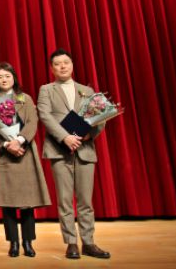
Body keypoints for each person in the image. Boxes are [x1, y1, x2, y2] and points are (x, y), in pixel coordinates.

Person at [37, 48, 110, 259]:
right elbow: (45, 115)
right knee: (65, 200)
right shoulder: (46, 90)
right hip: (59, 150)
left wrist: (88, 135)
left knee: (86, 201)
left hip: (85, 150)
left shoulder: (87, 90)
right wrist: (65, 137)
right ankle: (71, 243)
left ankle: (88, 242)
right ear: (52, 68)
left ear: (72, 65)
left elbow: (101, 118)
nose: (62, 66)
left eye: (66, 62)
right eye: (57, 64)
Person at [0, 62, 51, 257]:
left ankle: (28, 242)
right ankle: (13, 243)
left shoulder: (25, 98)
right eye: (0, 77)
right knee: (8, 202)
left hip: (25, 153)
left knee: (27, 201)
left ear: (14, 78)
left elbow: (32, 122)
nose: (4, 80)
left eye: (7, 76)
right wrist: (6, 144)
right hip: (4, 155)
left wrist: (19, 140)